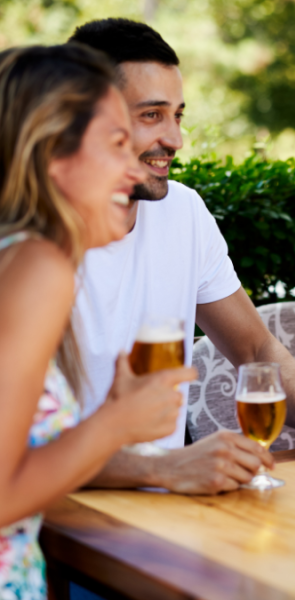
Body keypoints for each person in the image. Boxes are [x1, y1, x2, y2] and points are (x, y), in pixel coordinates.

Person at [67, 19, 295, 496]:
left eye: (178, 116)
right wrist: (163, 468)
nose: (175, 139)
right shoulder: (29, 244)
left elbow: (255, 349)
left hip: (171, 514)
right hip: (61, 525)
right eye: (152, 116)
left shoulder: (182, 211)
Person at [0, 44, 199, 600]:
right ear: (52, 155)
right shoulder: (35, 267)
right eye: (116, 144)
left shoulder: (18, 257)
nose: (132, 164)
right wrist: (117, 423)